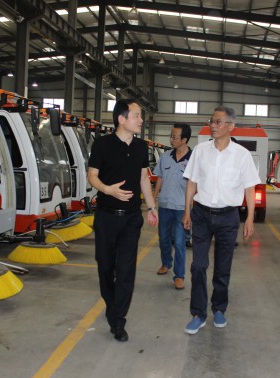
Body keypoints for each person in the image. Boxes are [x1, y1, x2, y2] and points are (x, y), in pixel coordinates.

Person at [182, 106, 261, 335]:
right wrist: (187, 211)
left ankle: (219, 309)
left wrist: (250, 218)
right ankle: (198, 314)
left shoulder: (242, 155)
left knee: (223, 267)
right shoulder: (200, 151)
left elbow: (249, 188)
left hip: (228, 217)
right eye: (212, 121)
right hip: (201, 214)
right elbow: (192, 182)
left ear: (231, 126)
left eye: (218, 122)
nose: (213, 126)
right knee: (198, 266)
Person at [87, 99, 158, 342]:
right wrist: (108, 190)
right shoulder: (102, 144)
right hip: (106, 217)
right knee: (105, 267)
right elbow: (92, 176)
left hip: (131, 219)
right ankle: (112, 306)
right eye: (137, 115)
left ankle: (118, 320)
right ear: (121, 119)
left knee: (127, 271)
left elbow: (143, 179)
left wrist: (152, 207)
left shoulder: (141, 147)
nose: (141, 120)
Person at [153, 123, 192, 290]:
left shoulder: (193, 160)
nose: (171, 139)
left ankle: (179, 276)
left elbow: (196, 184)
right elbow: (160, 178)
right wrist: (153, 199)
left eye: (174, 137)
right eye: (171, 136)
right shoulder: (165, 157)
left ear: (184, 139)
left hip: (182, 208)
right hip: (165, 205)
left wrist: (190, 208)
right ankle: (166, 263)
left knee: (180, 242)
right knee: (163, 238)